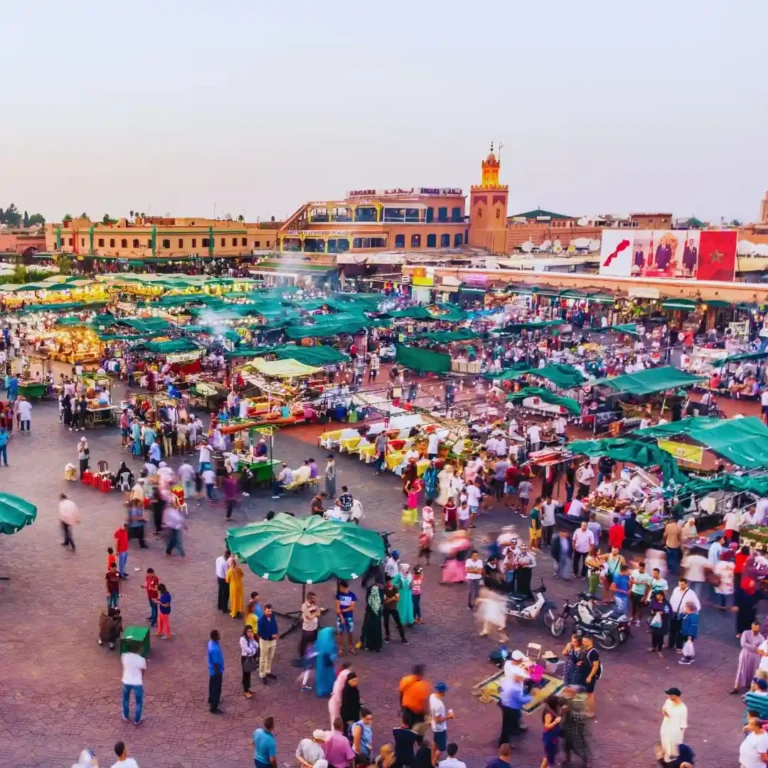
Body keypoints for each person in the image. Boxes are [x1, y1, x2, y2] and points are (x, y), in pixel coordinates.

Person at [731, 621, 765, 694]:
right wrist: (754, 647)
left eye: (757, 629)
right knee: (741, 669)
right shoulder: (746, 633)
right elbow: (743, 644)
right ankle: (736, 687)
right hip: (745, 654)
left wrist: (749, 645)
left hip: (755, 657)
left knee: (753, 671)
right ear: (751, 627)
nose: (755, 630)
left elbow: (759, 648)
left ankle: (750, 685)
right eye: (754, 628)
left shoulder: (761, 638)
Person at [668, 579, 701, 651]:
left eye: (682, 584)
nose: (680, 586)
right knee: (672, 630)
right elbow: (672, 599)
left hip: (682, 614)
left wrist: (690, 612)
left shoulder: (691, 593)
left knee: (680, 631)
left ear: (686, 584)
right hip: (674, 613)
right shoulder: (676, 589)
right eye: (679, 584)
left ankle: (679, 647)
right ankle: (670, 644)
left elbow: (697, 605)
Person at [120, 639, 146, 726]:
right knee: (138, 702)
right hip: (137, 683)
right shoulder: (141, 659)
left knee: (125, 699)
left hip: (126, 681)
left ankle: (126, 715)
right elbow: (143, 671)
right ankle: (137, 720)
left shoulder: (124, 656)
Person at [659, 687, 688, 763]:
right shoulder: (668, 701)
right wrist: (665, 713)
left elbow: (683, 724)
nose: (669, 697)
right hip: (666, 727)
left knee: (674, 748)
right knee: (665, 744)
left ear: (676, 696)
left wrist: (679, 735)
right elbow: (663, 710)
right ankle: (667, 761)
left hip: (675, 731)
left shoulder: (683, 708)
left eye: (671, 695)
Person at [429, 682, 455, 765]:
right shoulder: (439, 705)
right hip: (440, 728)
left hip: (434, 726)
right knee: (441, 747)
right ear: (442, 691)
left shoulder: (432, 697)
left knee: (435, 741)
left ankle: (431, 758)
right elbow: (438, 720)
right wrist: (449, 716)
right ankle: (433, 762)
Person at [577, 636, 601, 718]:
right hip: (585, 674)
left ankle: (591, 712)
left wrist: (590, 677)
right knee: (587, 693)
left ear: (591, 641)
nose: (584, 643)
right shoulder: (586, 650)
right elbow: (587, 660)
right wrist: (582, 662)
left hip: (589, 676)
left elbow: (595, 666)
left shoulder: (593, 653)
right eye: (583, 641)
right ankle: (588, 708)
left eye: (586, 641)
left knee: (590, 694)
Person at [383, 575, 408, 644]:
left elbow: (397, 599)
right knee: (386, 623)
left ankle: (403, 637)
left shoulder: (395, 588)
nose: (390, 583)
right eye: (389, 582)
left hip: (393, 608)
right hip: (386, 608)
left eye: (391, 582)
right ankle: (387, 636)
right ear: (386, 583)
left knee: (399, 623)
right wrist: (392, 598)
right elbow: (384, 602)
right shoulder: (384, 589)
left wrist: (389, 599)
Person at [258, 603, 279, 685]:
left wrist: (276, 634)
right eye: (267, 611)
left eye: (270, 611)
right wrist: (270, 636)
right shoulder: (261, 621)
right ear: (264, 611)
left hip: (273, 640)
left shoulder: (273, 616)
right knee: (263, 658)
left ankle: (268, 671)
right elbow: (260, 633)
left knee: (270, 657)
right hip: (265, 641)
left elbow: (275, 625)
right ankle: (262, 674)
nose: (269, 613)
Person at [336, 580, 357, 655]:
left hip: (349, 617)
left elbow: (352, 608)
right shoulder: (338, 595)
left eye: (341, 587)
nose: (340, 589)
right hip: (340, 617)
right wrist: (341, 617)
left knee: (350, 632)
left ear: (344, 587)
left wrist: (343, 610)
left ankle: (350, 646)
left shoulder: (352, 595)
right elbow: (337, 608)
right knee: (340, 633)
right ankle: (340, 648)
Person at [361, 582, 384, 652]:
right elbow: (382, 601)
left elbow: (367, 600)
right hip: (377, 613)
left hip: (370, 612)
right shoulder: (380, 590)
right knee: (377, 629)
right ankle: (377, 646)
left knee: (369, 629)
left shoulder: (369, 589)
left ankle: (369, 645)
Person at [541, 695, 562, 768]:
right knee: (548, 755)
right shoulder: (548, 714)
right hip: (550, 736)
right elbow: (547, 726)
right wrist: (556, 722)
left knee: (549, 753)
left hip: (553, 735)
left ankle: (545, 766)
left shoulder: (552, 709)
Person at [207, 629, 225, 714]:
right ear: (215, 637)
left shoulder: (211, 643)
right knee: (216, 689)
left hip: (212, 670)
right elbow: (216, 663)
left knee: (212, 685)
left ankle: (210, 699)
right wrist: (218, 674)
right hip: (216, 671)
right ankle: (213, 707)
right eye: (218, 635)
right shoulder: (215, 649)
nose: (219, 636)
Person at [629, 561, 652, 626]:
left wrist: (645, 597)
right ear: (638, 566)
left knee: (640, 608)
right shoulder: (634, 572)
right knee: (633, 607)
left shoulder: (647, 576)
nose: (640, 569)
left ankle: (639, 620)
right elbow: (631, 580)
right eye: (639, 568)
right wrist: (630, 589)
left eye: (642, 568)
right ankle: (632, 617)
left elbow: (648, 588)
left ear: (644, 568)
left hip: (641, 594)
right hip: (633, 592)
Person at [649, 591, 671, 657]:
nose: (659, 597)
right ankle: (653, 647)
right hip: (655, 621)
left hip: (662, 622)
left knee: (660, 636)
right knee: (654, 634)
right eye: (658, 596)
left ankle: (660, 650)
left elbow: (669, 612)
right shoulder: (653, 601)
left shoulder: (666, 604)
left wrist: (663, 613)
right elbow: (650, 608)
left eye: (660, 596)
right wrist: (652, 611)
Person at [240, 625, 259, 700]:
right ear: (245, 631)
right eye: (248, 631)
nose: (250, 633)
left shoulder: (251, 638)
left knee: (249, 674)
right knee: (245, 674)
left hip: (251, 658)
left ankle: (248, 689)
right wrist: (253, 651)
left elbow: (257, 646)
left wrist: (252, 639)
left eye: (251, 631)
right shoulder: (242, 639)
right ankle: (245, 691)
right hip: (245, 658)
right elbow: (247, 650)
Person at [301, 591, 321, 659]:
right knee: (305, 642)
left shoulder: (314, 604)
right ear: (310, 599)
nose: (315, 600)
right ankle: (302, 655)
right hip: (307, 628)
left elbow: (319, 613)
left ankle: (313, 653)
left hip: (314, 626)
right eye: (314, 598)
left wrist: (314, 613)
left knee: (314, 640)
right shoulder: (304, 606)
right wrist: (315, 613)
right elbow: (309, 617)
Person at [215, 548, 230, 614]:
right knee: (225, 594)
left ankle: (219, 605)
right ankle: (224, 608)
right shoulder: (225, 563)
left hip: (218, 577)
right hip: (224, 579)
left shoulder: (218, 558)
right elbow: (227, 573)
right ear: (227, 555)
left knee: (220, 592)